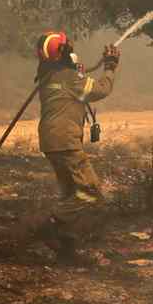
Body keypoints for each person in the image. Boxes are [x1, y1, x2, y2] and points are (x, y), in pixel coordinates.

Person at [30, 31, 120, 263]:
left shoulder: (50, 75)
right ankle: (48, 227)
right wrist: (110, 66)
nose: (72, 50)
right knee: (89, 192)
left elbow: (75, 82)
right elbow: (100, 90)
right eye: (69, 48)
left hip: (52, 142)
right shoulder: (69, 78)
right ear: (61, 53)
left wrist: (78, 68)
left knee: (71, 193)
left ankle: (66, 249)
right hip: (65, 142)